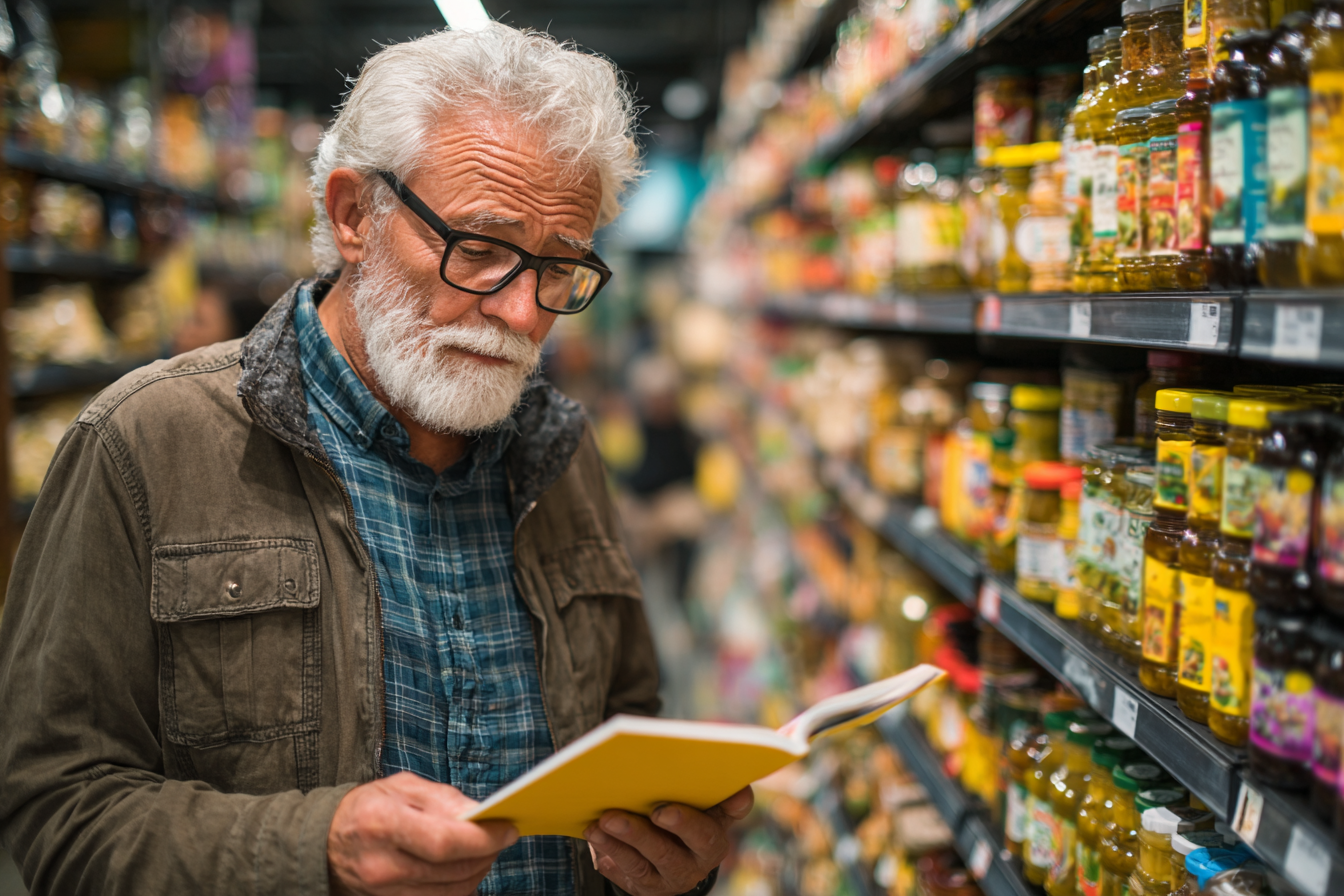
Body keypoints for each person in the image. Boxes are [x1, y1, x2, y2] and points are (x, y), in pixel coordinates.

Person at [0, 24, 750, 896]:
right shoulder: (145, 443)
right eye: (479, 249)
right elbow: (59, 809)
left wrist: (665, 863)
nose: (520, 313)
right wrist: (315, 847)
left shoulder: (560, 451)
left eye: (559, 269)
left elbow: (627, 736)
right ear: (354, 215)